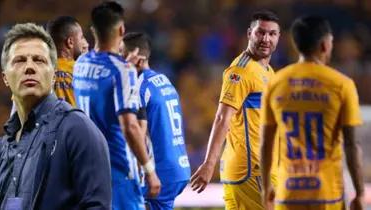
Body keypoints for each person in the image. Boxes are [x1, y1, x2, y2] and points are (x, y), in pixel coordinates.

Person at [0, 23, 111, 210]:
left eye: (39, 60)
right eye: (19, 60)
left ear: (54, 75)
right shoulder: (4, 146)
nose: (29, 67)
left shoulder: (78, 130)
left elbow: (97, 205)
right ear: (5, 77)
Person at [260, 16, 364, 210]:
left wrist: (266, 188)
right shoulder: (342, 85)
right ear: (325, 45)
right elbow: (351, 145)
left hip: (288, 193)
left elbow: (266, 143)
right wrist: (359, 193)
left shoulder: (275, 83)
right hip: (327, 195)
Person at [72, 2, 161, 210]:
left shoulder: (81, 64)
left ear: (93, 30)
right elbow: (129, 126)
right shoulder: (122, 71)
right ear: (122, 30)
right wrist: (149, 169)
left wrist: (124, 67)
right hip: (118, 167)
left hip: (87, 166)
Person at [190, 10, 281, 209]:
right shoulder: (240, 71)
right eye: (260, 33)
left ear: (278, 37)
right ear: (249, 34)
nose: (266, 39)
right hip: (250, 170)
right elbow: (223, 117)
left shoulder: (268, 71)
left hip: (260, 168)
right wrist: (208, 164)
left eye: (272, 34)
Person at [122, 32, 191, 210]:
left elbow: (138, 132)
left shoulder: (138, 86)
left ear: (137, 57)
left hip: (160, 171)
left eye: (121, 55)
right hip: (179, 166)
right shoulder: (164, 81)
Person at [46, 16, 89, 106]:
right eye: (81, 37)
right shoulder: (83, 71)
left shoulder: (39, 72)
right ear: (70, 42)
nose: (84, 43)